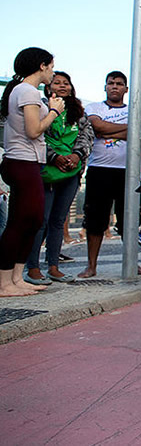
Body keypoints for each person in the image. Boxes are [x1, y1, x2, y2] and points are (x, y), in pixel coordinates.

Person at [0, 48, 64, 297]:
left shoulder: (26, 91)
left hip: (28, 162)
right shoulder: (27, 91)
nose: (53, 72)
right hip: (22, 161)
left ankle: (16, 277)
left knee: (31, 220)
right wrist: (54, 111)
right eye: (51, 67)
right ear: (41, 66)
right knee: (21, 223)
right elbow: (34, 130)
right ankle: (4, 282)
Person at [24, 71, 93, 285]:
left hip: (71, 172)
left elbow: (87, 136)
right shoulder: (41, 107)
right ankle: (32, 267)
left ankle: (53, 266)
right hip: (46, 170)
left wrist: (76, 155)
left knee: (57, 220)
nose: (62, 86)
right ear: (48, 86)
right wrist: (54, 157)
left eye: (66, 83)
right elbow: (37, 134)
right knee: (41, 219)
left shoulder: (79, 112)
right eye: (57, 82)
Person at [78, 71, 141, 278]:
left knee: (129, 218)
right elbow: (96, 126)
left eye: (119, 84)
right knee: (95, 219)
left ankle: (131, 263)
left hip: (127, 171)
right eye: (111, 83)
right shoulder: (94, 108)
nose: (114, 87)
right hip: (99, 170)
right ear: (105, 87)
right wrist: (129, 130)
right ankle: (91, 266)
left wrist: (108, 132)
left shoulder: (135, 110)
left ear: (126, 89)